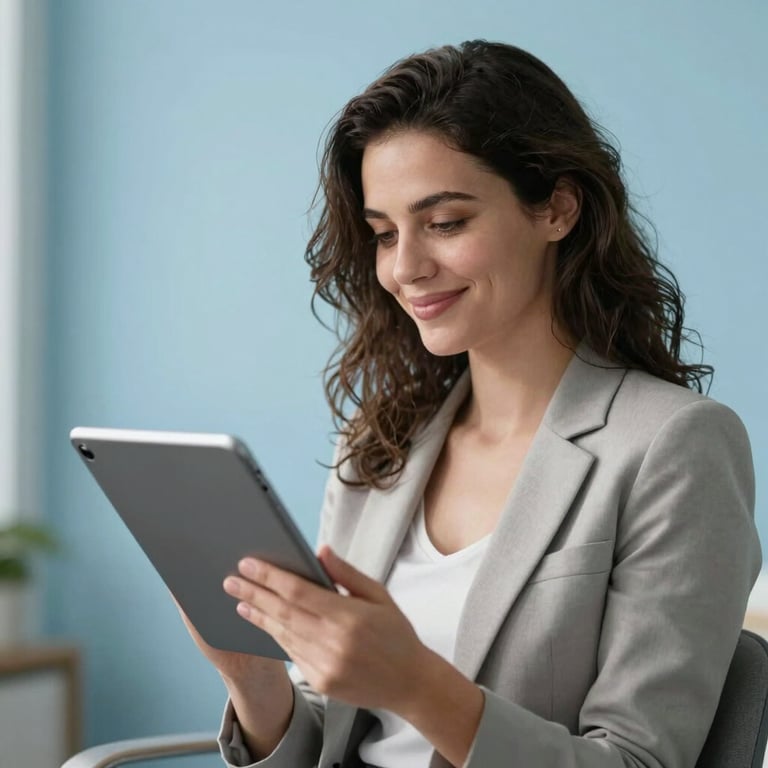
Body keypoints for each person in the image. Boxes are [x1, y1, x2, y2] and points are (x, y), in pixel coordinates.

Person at [184, 40, 761, 768]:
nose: (405, 267)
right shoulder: (378, 447)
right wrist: (253, 680)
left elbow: (638, 761)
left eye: (446, 222)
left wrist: (420, 685)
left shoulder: (674, 445)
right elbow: (335, 737)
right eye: (384, 234)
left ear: (556, 207)